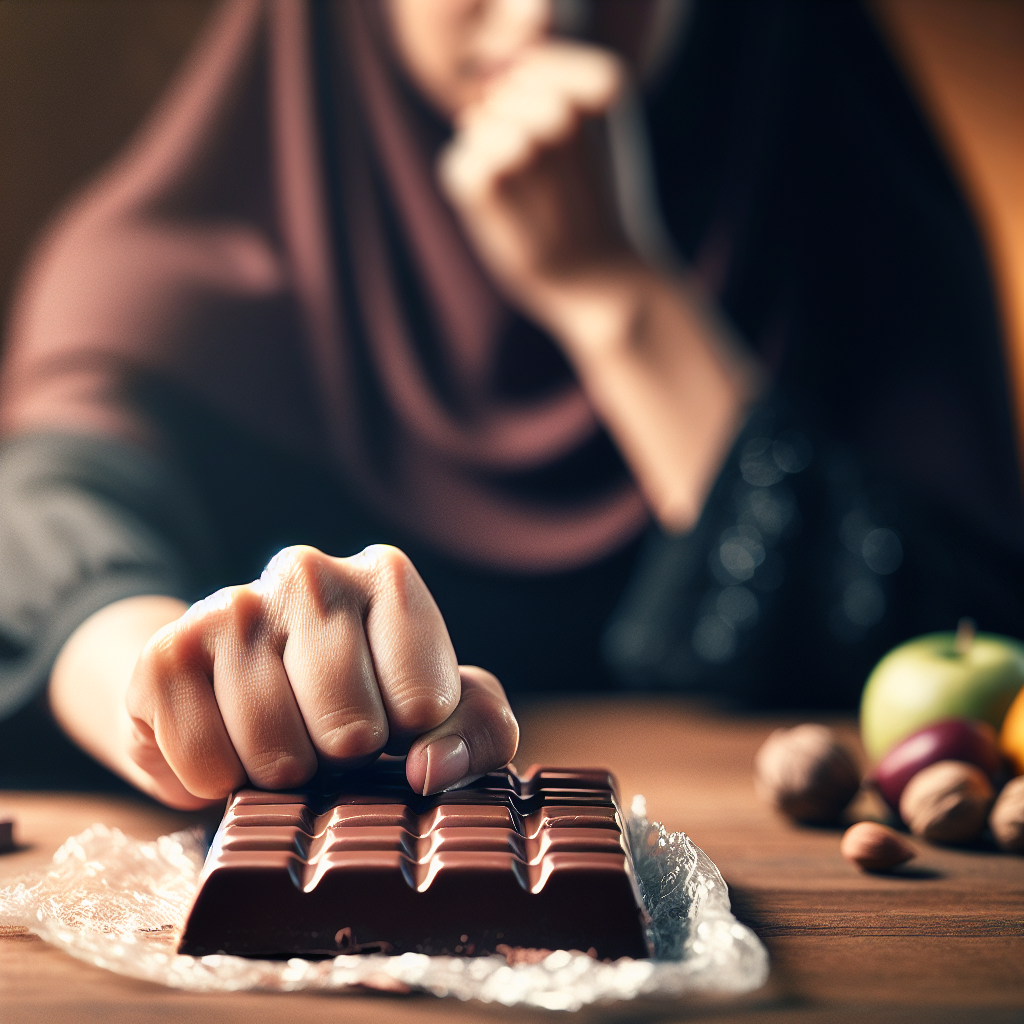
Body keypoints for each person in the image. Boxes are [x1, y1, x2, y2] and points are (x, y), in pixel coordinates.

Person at [1, 0, 1021, 808]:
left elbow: (953, 646)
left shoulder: (847, 217)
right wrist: (168, 682)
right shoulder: (185, 257)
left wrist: (619, 296)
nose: (539, 16)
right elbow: (48, 522)